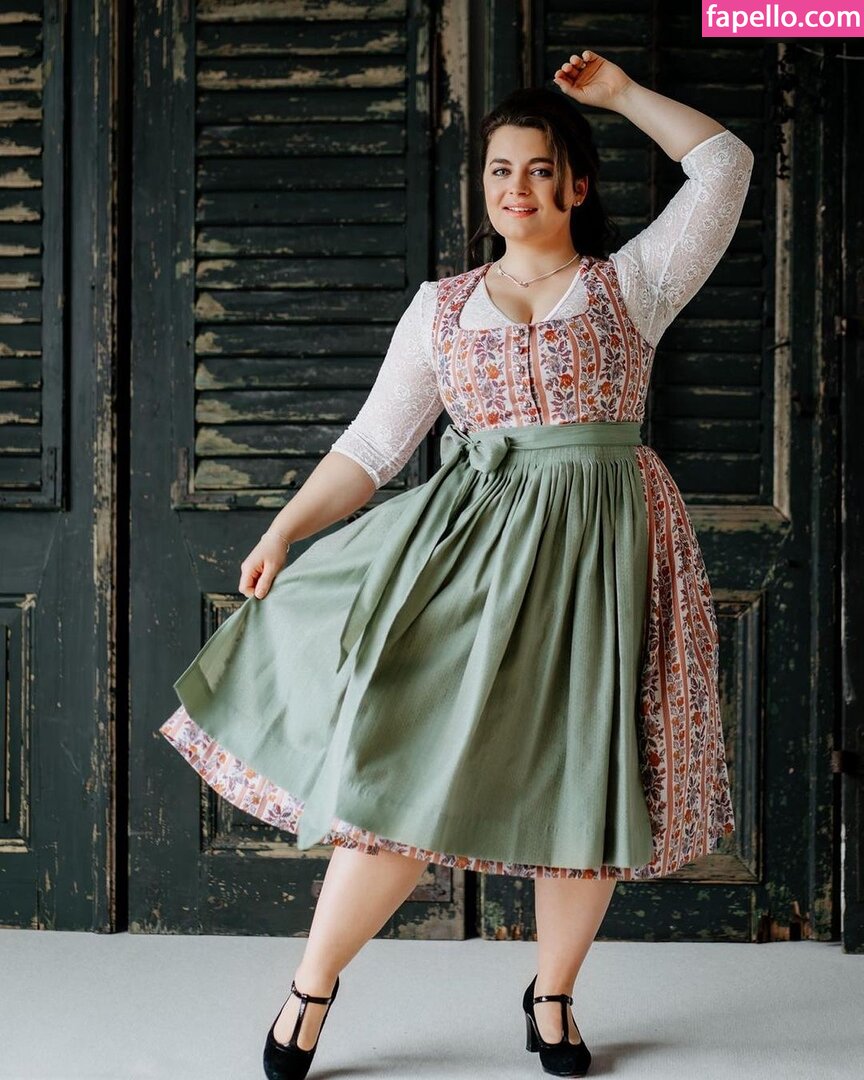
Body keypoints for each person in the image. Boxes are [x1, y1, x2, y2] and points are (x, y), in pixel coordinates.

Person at [159, 48, 754, 1080]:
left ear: (577, 185)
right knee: (398, 774)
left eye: (539, 169)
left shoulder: (635, 284)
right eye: (499, 170)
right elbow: (373, 447)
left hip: (605, 561)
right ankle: (312, 985)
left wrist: (618, 96)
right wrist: (283, 530)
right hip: (467, 562)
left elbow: (726, 166)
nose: (516, 189)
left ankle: (553, 995)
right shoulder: (440, 306)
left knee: (589, 779)